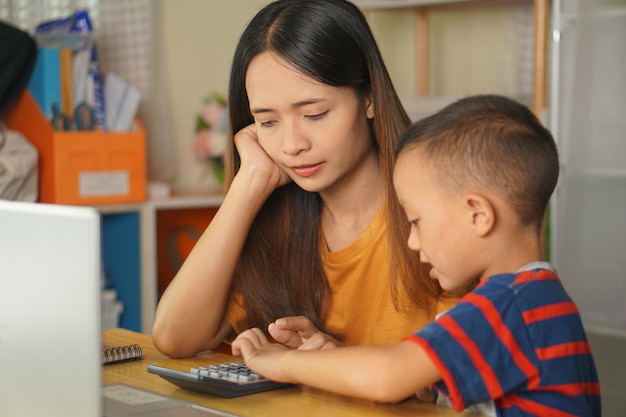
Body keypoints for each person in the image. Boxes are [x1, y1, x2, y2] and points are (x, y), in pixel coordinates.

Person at [231, 95, 602, 417]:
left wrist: (282, 363)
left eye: (416, 221)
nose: (412, 241)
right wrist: (330, 358)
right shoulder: (535, 299)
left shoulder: (509, 304)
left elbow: (388, 375)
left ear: (479, 215)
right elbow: (418, 386)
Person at [152, 0, 462, 359]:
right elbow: (174, 337)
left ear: (370, 98)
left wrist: (330, 361)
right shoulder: (276, 221)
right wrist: (249, 181)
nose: (292, 145)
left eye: (315, 114)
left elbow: (453, 391)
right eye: (267, 122)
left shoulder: (436, 218)